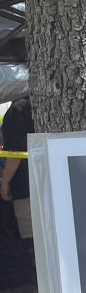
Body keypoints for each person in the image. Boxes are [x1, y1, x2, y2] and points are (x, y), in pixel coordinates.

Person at [0, 95, 33, 256]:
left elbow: (15, 153)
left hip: (25, 186)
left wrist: (5, 182)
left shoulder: (16, 110)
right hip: (41, 180)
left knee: (31, 236)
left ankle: (36, 276)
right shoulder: (34, 103)